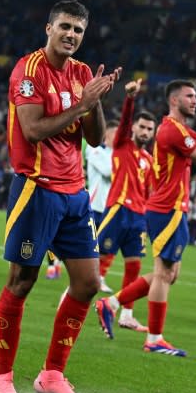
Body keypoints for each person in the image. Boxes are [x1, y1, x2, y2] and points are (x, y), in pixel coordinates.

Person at [0, 0, 121, 393]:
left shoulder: (82, 73)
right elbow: (31, 131)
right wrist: (81, 104)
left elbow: (96, 139)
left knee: (88, 283)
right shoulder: (28, 72)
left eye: (78, 30)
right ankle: (2, 375)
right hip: (36, 189)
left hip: (75, 194)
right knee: (22, 282)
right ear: (48, 28)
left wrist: (95, 100)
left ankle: (51, 375)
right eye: (65, 27)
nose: (71, 35)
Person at [95, 79, 196, 355]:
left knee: (169, 274)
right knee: (164, 273)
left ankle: (112, 304)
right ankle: (154, 339)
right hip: (167, 209)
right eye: (190, 96)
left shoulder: (179, 130)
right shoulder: (171, 131)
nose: (195, 100)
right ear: (175, 100)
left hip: (169, 208)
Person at [95, 78, 155, 332]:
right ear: (134, 129)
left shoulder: (149, 160)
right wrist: (130, 99)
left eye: (150, 129)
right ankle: (72, 297)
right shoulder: (122, 144)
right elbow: (125, 122)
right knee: (97, 260)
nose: (145, 132)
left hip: (138, 217)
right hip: (118, 209)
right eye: (142, 127)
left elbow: (150, 192)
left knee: (135, 265)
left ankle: (126, 314)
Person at [86, 120, 117, 293]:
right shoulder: (95, 150)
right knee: (89, 245)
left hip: (109, 207)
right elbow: (108, 172)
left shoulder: (116, 154)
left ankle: (99, 278)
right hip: (95, 205)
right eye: (115, 133)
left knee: (107, 245)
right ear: (108, 134)